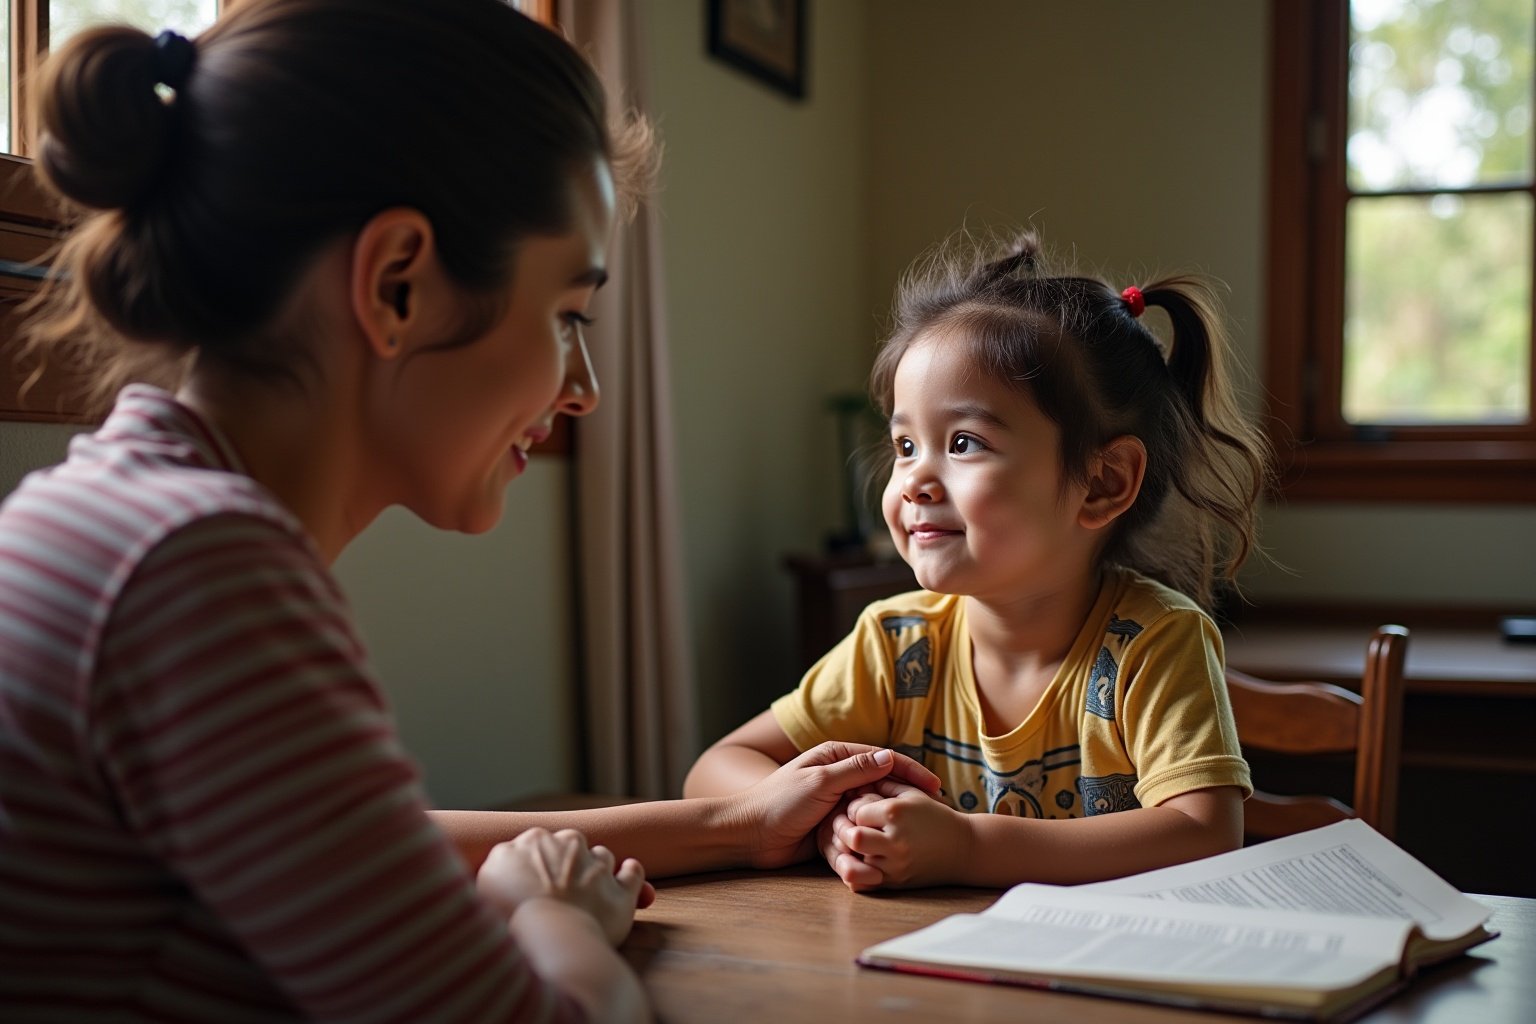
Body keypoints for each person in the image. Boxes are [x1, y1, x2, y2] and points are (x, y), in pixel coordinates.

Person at [0, 2, 937, 1021]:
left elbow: (368, 839)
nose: (582, 389)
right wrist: (555, 917)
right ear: (396, 284)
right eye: (566, 316)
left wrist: (736, 825)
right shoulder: (201, 571)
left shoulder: (113, 520)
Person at [685, 232, 1272, 892]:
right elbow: (719, 766)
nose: (914, 480)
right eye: (905, 445)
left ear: (1103, 482)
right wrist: (838, 818)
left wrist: (966, 845)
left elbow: (1207, 834)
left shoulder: (1155, 645)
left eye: (963, 442)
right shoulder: (897, 644)